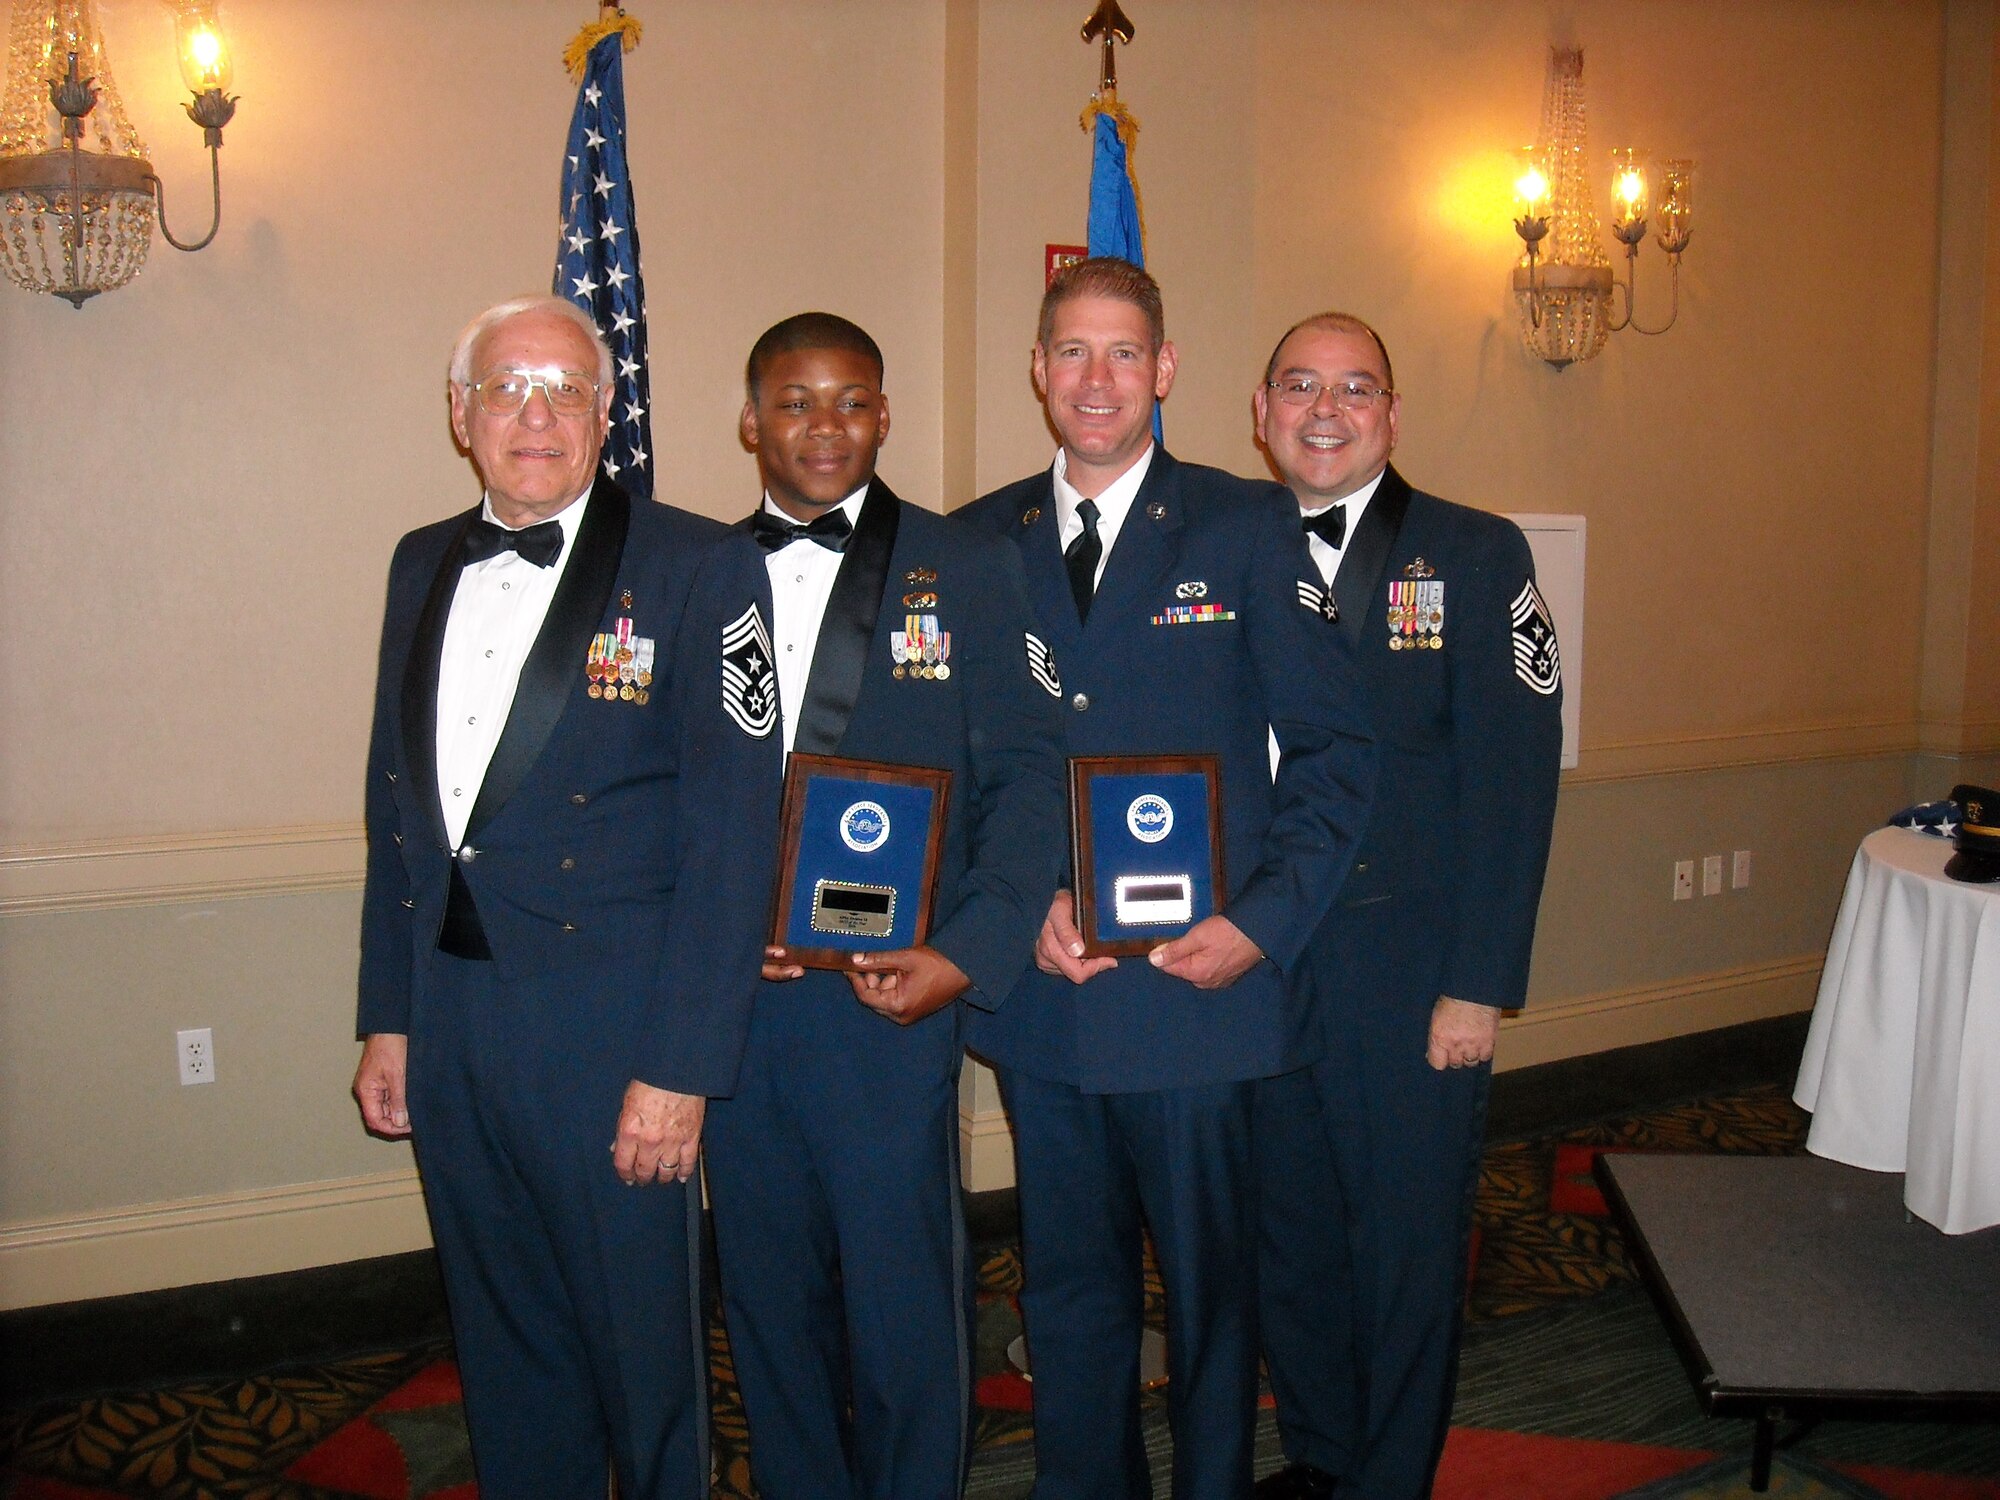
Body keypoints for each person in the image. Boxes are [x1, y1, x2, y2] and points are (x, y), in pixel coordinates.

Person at [955, 259, 1378, 1497]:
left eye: (1123, 354)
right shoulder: (977, 541)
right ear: (1036, 371)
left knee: (1209, 1297)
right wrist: (1011, 903)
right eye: (1071, 355)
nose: (1096, 381)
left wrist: (1261, 926)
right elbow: (966, 766)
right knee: (1069, 1291)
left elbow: (1334, 754)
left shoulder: (1246, 526)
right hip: (1048, 993)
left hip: (1201, 995)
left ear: (1166, 371)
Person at [350, 295, 777, 1500]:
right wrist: (390, 1013)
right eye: (504, 388)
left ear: (607, 412)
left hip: (615, 1040)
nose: (535, 415)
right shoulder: (418, 560)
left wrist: (683, 1067)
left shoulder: (701, 564)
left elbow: (736, 835)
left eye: (566, 391)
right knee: (503, 1340)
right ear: (459, 415)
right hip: (455, 1024)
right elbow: (396, 809)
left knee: (643, 1362)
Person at [700, 312, 1068, 1500]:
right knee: (763, 1290)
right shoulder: (688, 572)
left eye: (851, 399)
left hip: (890, 1002)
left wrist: (965, 955)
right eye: (795, 402)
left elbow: (1025, 779)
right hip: (734, 1006)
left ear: (885, 414)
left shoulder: (967, 564)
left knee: (905, 1294)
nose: (824, 425)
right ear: (750, 421)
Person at [1249, 312, 1563, 1500]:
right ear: (1258, 408)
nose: (1323, 411)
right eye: (1298, 386)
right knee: (1291, 1238)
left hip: (1411, 975)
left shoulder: (1475, 556)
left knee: (1405, 1249)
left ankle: (1390, 1478)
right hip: (1259, 964)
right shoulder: (1222, 546)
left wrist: (1477, 982)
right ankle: (1321, 1454)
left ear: (1391, 416)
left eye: (1353, 389)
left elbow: (1513, 784)